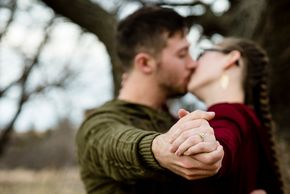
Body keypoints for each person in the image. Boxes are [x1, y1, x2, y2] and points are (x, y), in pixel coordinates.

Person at [76, 6, 224, 194]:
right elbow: (114, 144)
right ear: (145, 63)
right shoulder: (97, 125)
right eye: (182, 54)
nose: (193, 63)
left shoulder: (173, 120)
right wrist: (159, 148)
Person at [169, 38, 284, 194]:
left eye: (201, 54)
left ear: (231, 59)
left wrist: (212, 148)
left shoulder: (231, 116)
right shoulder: (248, 121)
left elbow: (225, 137)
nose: (193, 64)